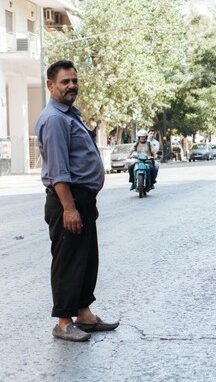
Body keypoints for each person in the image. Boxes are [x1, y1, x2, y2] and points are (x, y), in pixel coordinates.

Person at [35, 60, 119, 342]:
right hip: (66, 201)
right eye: (64, 82)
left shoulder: (70, 114)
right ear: (50, 85)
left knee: (86, 258)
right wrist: (69, 208)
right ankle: (62, 322)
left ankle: (84, 314)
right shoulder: (55, 119)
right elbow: (58, 169)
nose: (71, 85)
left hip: (82, 199)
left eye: (74, 80)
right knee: (67, 260)